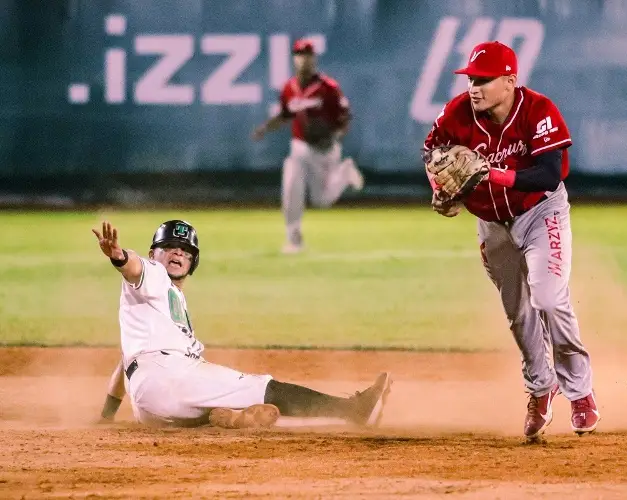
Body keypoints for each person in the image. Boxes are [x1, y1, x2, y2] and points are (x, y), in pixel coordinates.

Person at [422, 41, 600, 440]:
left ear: (510, 81)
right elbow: (430, 151)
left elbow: (549, 174)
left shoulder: (538, 110)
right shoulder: (456, 113)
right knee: (519, 314)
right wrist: (440, 187)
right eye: (470, 79)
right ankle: (540, 390)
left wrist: (491, 175)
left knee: (549, 297)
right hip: (491, 223)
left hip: (541, 212)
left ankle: (580, 392)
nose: (474, 87)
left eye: (484, 80)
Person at [94, 219, 391, 428]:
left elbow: (126, 362)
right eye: (170, 246)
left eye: (186, 250)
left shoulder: (163, 305)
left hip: (149, 408)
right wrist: (118, 256)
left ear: (193, 262)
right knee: (261, 385)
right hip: (168, 379)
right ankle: (355, 411)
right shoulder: (153, 275)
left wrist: (107, 415)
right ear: (153, 254)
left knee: (211, 394)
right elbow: (132, 267)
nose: (178, 253)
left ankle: (226, 418)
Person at [252, 39, 364, 254]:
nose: (304, 59)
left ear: (314, 59)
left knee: (322, 200)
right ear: (294, 59)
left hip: (325, 149)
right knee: (291, 183)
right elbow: (285, 114)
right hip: (300, 146)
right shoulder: (289, 88)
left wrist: (333, 134)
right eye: (300, 54)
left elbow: (345, 117)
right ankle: (294, 239)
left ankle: (345, 171)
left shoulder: (328, 88)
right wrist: (265, 128)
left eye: (308, 54)